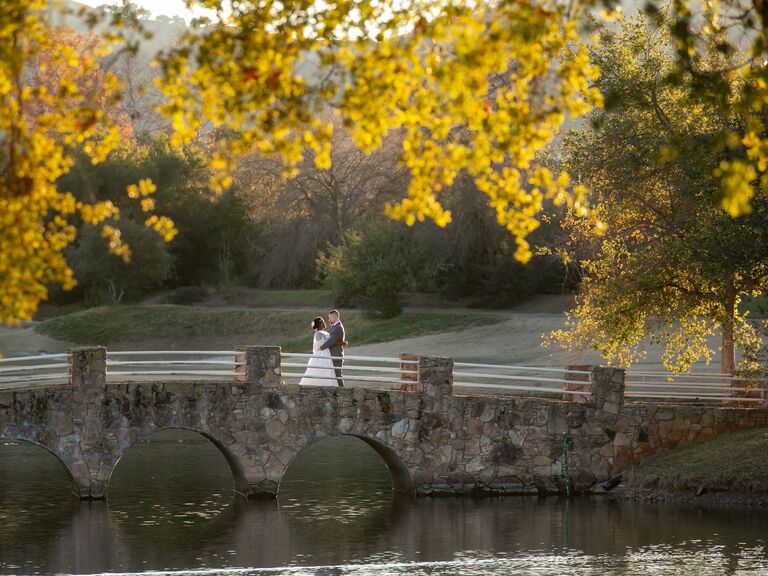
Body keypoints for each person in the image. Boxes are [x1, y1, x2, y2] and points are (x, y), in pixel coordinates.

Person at [298, 317, 338, 386]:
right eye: (322, 322)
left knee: (327, 370)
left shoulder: (325, 332)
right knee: (320, 369)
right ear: (319, 324)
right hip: (321, 354)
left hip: (327, 353)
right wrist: (332, 343)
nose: (324, 323)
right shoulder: (318, 333)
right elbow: (321, 345)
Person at [319, 309, 346, 387]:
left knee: (337, 374)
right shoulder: (336, 327)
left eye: (330, 318)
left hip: (336, 354)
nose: (329, 320)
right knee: (335, 374)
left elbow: (332, 341)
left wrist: (321, 347)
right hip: (334, 354)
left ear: (335, 317)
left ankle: (342, 391)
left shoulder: (338, 328)